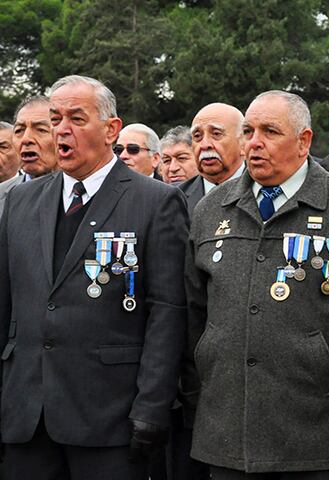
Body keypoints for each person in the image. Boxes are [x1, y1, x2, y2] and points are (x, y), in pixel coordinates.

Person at [183, 90, 329, 479]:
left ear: (304, 141)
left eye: (270, 131)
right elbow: (194, 315)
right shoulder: (211, 210)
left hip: (314, 425)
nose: (255, 142)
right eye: (248, 131)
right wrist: (199, 389)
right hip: (229, 423)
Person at [0, 74, 188, 479]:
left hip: (110, 419)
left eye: (76, 118)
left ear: (111, 130)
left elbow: (167, 312)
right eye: (55, 118)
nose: (61, 129)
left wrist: (152, 407)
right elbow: (5, 304)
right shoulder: (20, 201)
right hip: (27, 418)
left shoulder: (156, 203)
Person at [181, 103, 245, 214]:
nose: (205, 145)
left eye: (216, 134)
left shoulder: (265, 191)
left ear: (243, 143)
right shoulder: (175, 198)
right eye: (197, 136)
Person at [0, 96, 60, 215]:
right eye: (19, 131)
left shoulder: (82, 193)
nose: (26, 139)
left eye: (41, 130)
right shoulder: (2, 195)